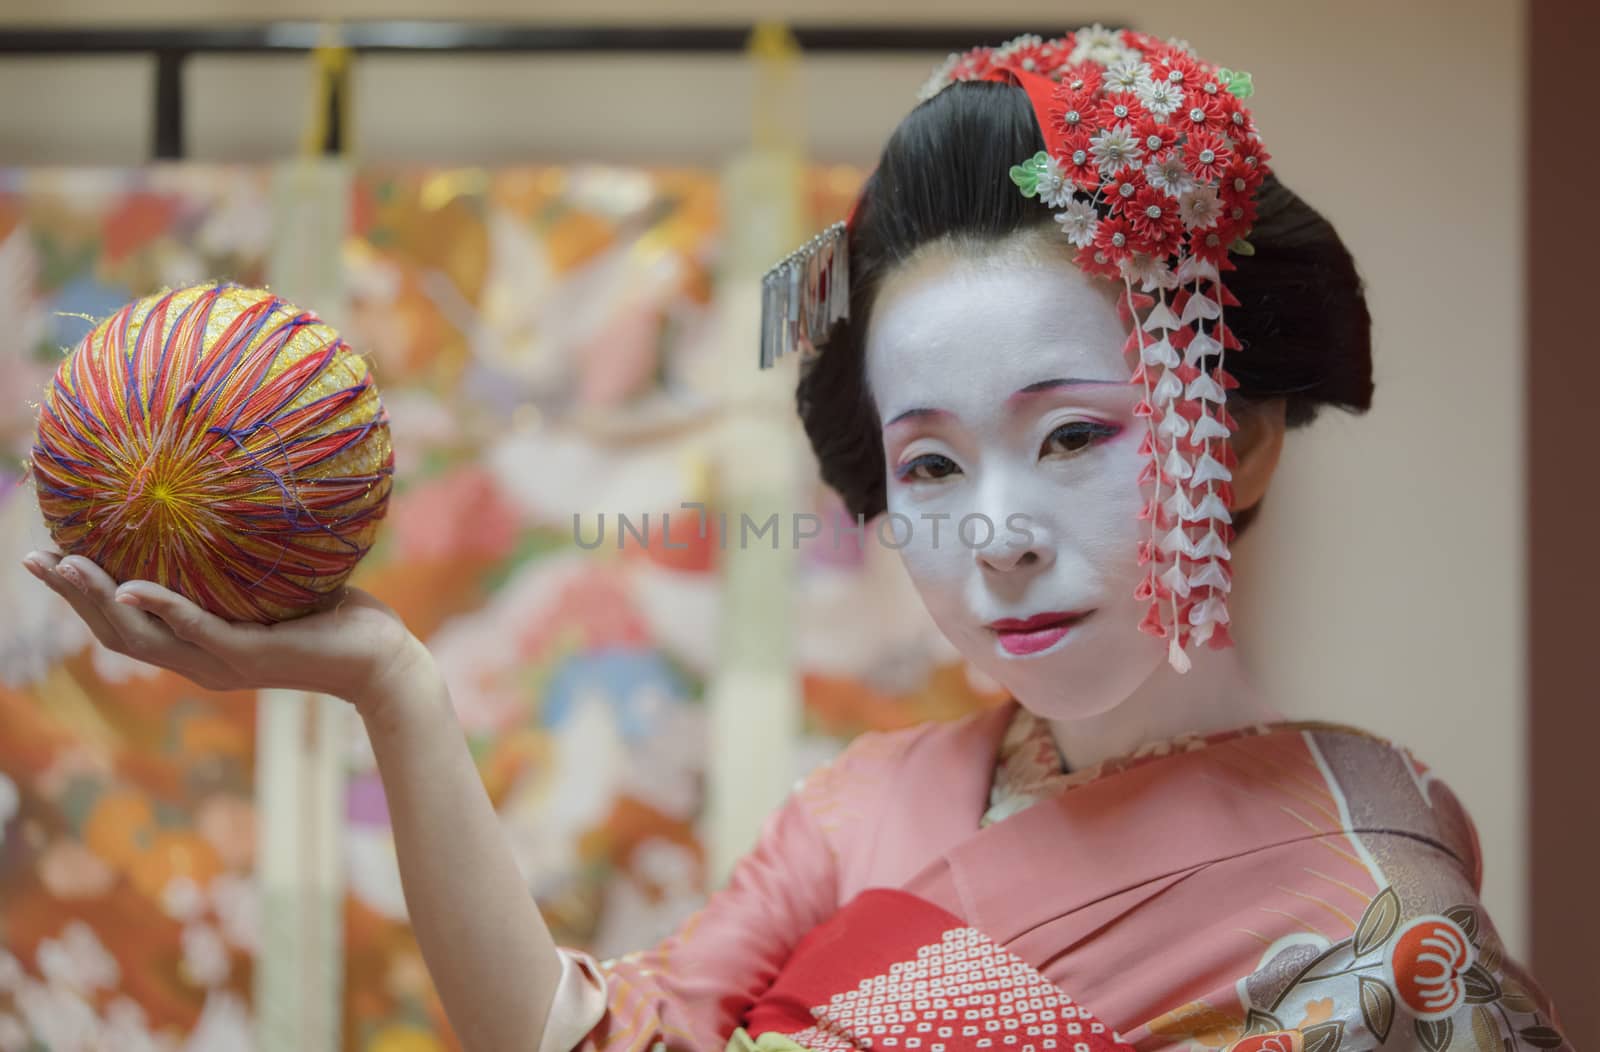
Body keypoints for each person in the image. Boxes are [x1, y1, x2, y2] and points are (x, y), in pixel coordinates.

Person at [21, 25, 1568, 1052]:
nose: (999, 535)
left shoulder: (1373, 914)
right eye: (932, 463)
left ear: (1236, 432)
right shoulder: (870, 804)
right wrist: (388, 681)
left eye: (1074, 433)